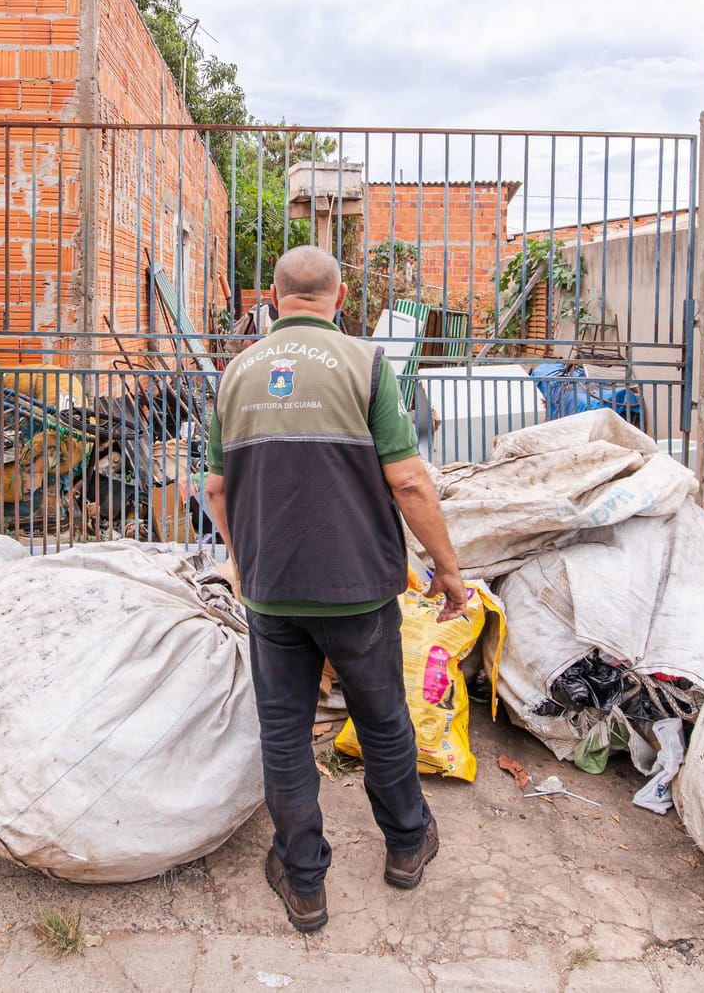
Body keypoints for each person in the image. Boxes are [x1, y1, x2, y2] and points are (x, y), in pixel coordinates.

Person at [204, 246, 472, 933]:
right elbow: (409, 480)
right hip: (359, 591)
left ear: (271, 293)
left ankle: (303, 882)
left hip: (273, 592)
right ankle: (408, 845)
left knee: (286, 732)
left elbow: (214, 487)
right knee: (382, 718)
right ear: (341, 294)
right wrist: (446, 567)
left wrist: (246, 561)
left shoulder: (235, 373)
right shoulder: (367, 364)